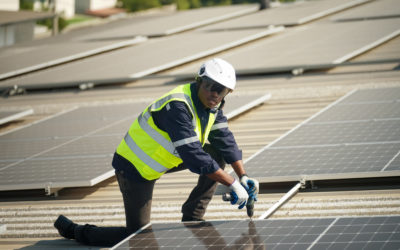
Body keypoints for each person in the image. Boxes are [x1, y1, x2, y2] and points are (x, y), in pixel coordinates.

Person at [54, 58, 259, 247]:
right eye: (211, 87)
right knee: (138, 236)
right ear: (199, 82)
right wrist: (231, 183)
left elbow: (225, 141)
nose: (215, 94)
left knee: (218, 152)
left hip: (164, 159)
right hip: (135, 168)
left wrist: (243, 176)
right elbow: (193, 155)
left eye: (222, 90)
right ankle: (77, 231)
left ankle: (193, 215)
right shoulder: (177, 106)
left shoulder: (213, 106)